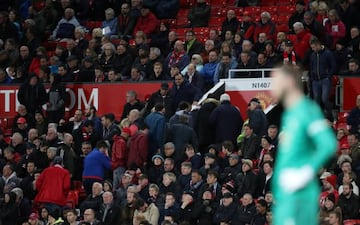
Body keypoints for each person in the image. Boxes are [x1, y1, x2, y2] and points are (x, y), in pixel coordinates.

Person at [271, 65, 337, 225]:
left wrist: (304, 173)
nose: (271, 86)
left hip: (298, 196)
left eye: (275, 80)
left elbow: (329, 144)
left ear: (288, 81)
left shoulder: (306, 109)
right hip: (286, 196)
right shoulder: (289, 114)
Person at [309, 38, 336, 120]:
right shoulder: (313, 55)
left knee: (324, 99)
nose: (312, 49)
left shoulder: (328, 53)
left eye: (313, 47)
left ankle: (330, 114)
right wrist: (312, 77)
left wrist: (329, 76)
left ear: (318, 45)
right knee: (316, 100)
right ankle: (319, 116)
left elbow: (333, 66)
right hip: (315, 80)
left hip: (325, 80)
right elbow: (311, 66)